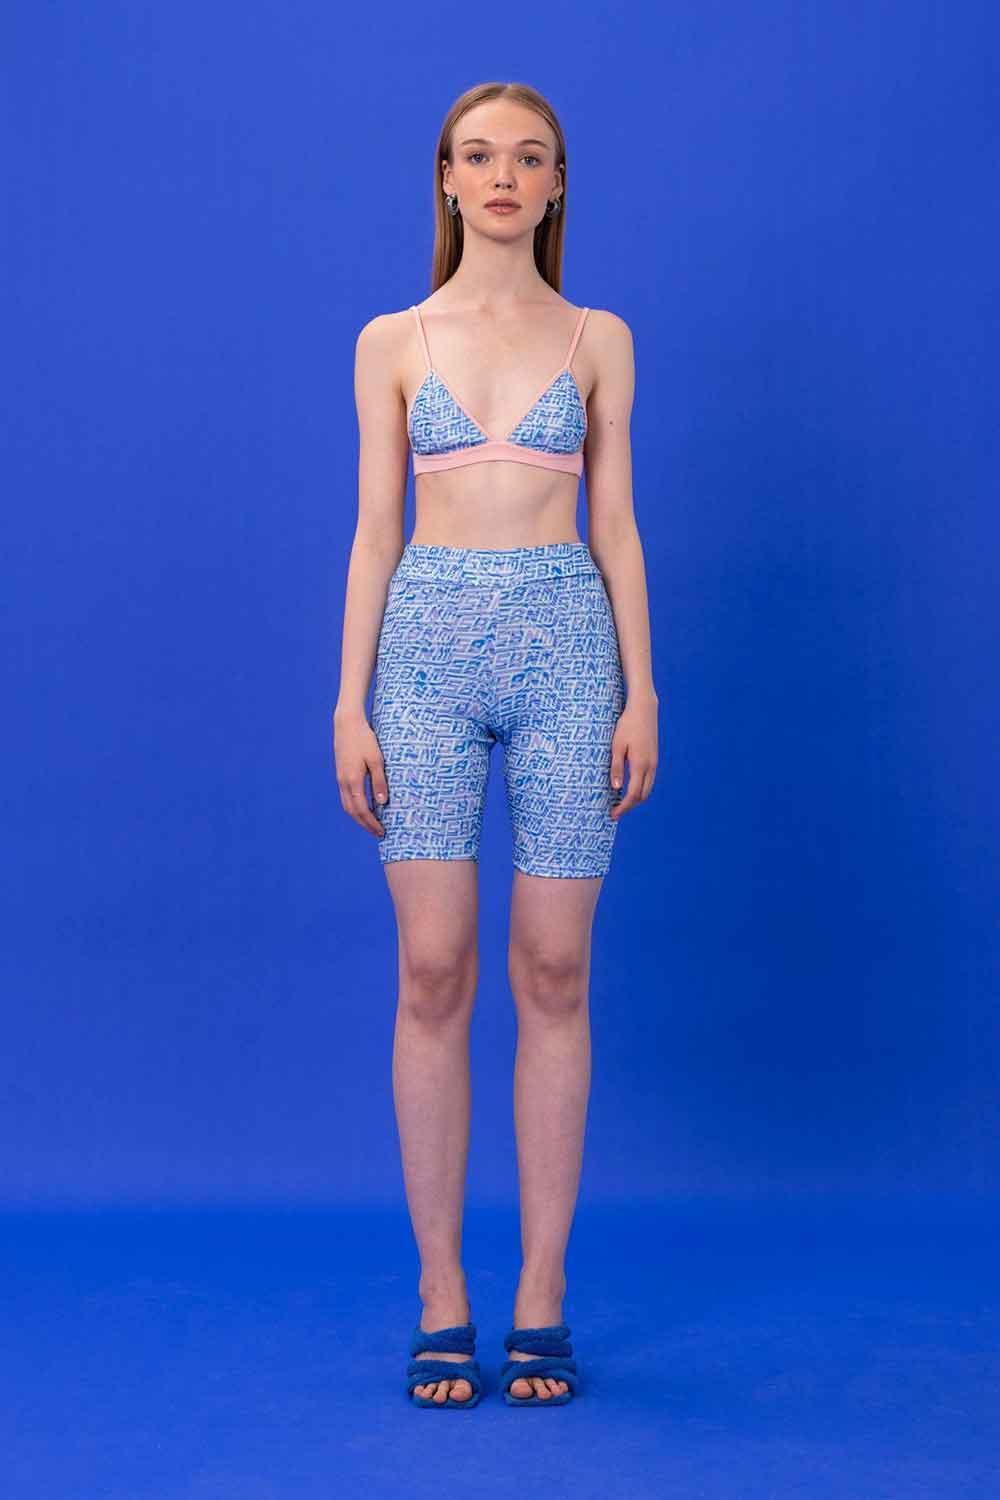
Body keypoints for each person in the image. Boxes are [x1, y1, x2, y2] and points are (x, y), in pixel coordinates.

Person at [333, 80, 659, 1408]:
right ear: (448, 181)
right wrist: (348, 701)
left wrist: (644, 691)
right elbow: (376, 527)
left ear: (558, 182)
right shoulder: (392, 340)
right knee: (432, 969)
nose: (505, 176)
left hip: (568, 643)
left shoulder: (599, 337)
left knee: (556, 967)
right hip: (425, 649)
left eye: (530, 157)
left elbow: (617, 522)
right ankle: (439, 1291)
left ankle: (541, 1291)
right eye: (480, 157)